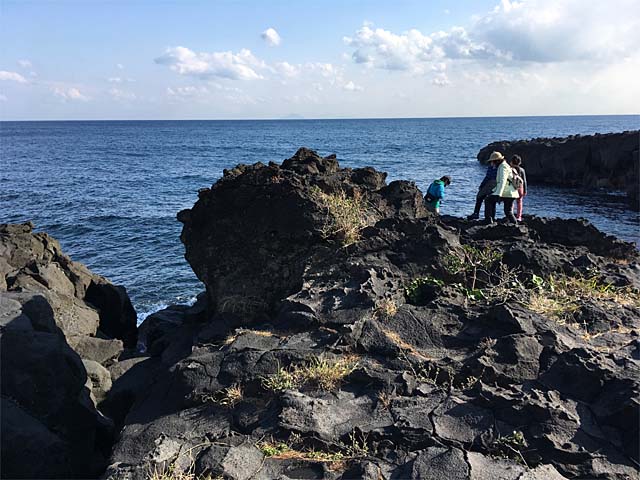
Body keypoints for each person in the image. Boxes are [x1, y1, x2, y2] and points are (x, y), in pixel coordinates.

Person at [484, 152, 519, 224]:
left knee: (488, 200)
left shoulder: (503, 167)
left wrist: (498, 194)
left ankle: (489, 220)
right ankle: (515, 225)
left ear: (496, 161)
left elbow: (502, 181)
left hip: (507, 192)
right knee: (507, 211)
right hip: (510, 193)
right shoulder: (504, 166)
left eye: (492, 161)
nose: (491, 163)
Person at [467, 152, 501, 220]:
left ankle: (477, 213)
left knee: (481, 197)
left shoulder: (494, 168)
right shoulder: (499, 167)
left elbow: (488, 177)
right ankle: (491, 217)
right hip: (494, 184)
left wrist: (482, 185)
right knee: (491, 201)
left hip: (492, 183)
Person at [509, 154, 527, 221]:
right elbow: (524, 181)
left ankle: (512, 215)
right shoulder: (522, 170)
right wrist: (525, 190)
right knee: (519, 202)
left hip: (513, 188)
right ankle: (519, 216)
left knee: (511, 202)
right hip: (520, 187)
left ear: (511, 162)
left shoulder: (510, 169)